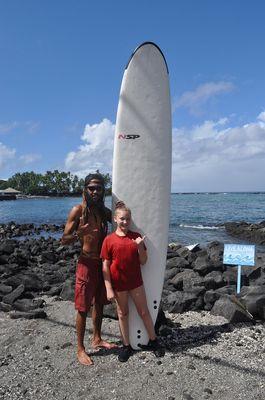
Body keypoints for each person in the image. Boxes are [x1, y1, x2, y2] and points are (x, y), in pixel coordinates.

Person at [61, 173, 117, 366]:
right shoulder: (78, 211)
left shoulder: (103, 211)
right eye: (91, 188)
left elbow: (123, 220)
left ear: (103, 191)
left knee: (99, 303)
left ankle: (97, 338)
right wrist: (79, 234)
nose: (95, 191)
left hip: (102, 264)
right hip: (85, 264)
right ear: (85, 189)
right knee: (83, 308)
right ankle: (80, 348)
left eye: (98, 188)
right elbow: (63, 240)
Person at [101, 201, 165, 362]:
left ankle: (153, 341)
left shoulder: (136, 237)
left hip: (136, 282)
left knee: (144, 312)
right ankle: (126, 346)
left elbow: (143, 261)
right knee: (123, 314)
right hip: (118, 284)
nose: (125, 222)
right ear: (115, 219)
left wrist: (140, 246)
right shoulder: (109, 240)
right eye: (122, 219)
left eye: (128, 219)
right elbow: (105, 266)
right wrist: (108, 288)